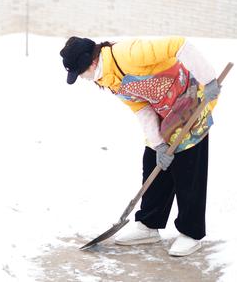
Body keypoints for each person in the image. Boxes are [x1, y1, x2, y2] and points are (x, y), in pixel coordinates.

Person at [59, 36, 220, 257]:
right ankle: (149, 225)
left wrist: (209, 80)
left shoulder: (129, 54)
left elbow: (179, 45)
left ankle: (191, 233)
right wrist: (159, 144)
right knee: (153, 162)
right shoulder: (109, 78)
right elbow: (141, 108)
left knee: (188, 168)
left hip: (190, 98)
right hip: (163, 110)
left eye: (81, 73)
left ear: (91, 63)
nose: (83, 79)